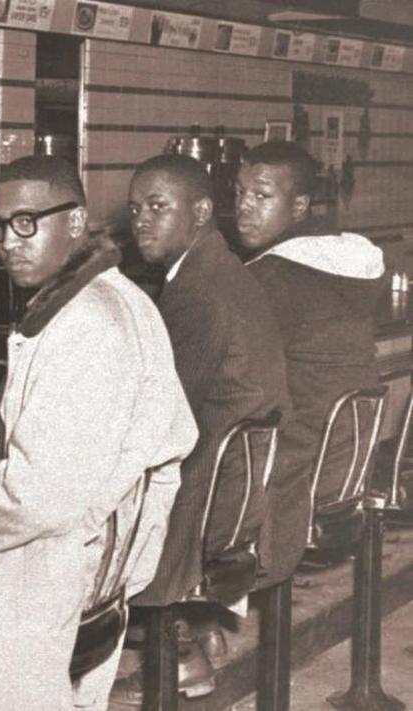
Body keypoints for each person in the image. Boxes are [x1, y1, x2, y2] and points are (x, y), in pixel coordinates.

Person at [0, 156, 198, 709]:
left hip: (51, 567)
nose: (10, 241)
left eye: (28, 222)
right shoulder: (117, 297)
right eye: (0, 225)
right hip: (98, 561)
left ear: (77, 222)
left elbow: (38, 496)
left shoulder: (86, 323)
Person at [120, 155, 290, 700]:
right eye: (136, 208)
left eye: (158, 207)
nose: (142, 220)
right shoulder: (218, 268)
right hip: (234, 481)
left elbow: (162, 415)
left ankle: (178, 645)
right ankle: (193, 636)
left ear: (200, 212)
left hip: (205, 494)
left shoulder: (196, 292)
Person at [235, 140, 385, 585]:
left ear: (299, 205)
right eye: (240, 193)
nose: (244, 207)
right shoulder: (348, 266)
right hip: (346, 464)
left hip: (296, 474)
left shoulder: (269, 278)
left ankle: (187, 618)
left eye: (262, 197)